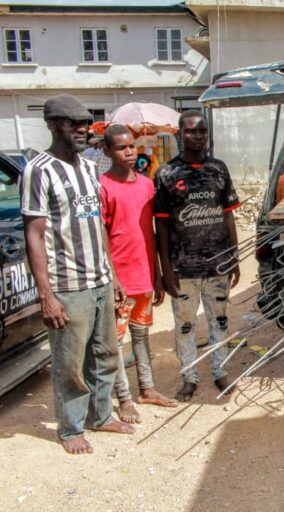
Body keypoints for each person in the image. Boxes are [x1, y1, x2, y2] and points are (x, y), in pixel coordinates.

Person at [20, 94, 134, 454]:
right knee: (70, 362)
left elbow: (97, 223)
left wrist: (112, 274)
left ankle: (100, 415)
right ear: (53, 125)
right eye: (74, 123)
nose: (84, 129)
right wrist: (46, 295)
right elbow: (34, 234)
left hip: (99, 279)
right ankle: (71, 428)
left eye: (86, 123)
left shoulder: (88, 167)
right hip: (67, 286)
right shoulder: (38, 170)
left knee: (106, 354)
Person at [154, 110, 241, 402]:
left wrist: (235, 256)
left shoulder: (218, 169)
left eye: (202, 131)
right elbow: (162, 224)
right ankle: (189, 377)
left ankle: (221, 372)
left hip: (217, 264)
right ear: (180, 134)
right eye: (191, 131)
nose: (197, 136)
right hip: (183, 268)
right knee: (185, 326)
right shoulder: (166, 174)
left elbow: (228, 216)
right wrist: (166, 269)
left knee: (220, 321)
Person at [100, 124, 178, 423]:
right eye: (121, 147)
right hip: (120, 279)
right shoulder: (103, 186)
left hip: (145, 275)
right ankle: (124, 398)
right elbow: (102, 235)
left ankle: (147, 388)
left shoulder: (147, 185)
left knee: (142, 336)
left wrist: (158, 275)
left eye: (131, 146)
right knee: (118, 343)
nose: (129, 152)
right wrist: (113, 278)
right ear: (107, 151)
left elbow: (153, 233)